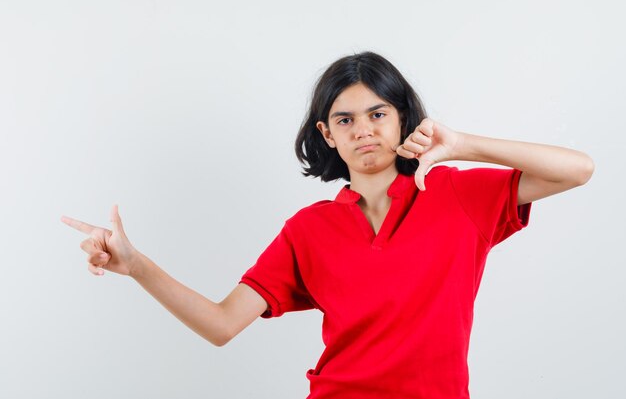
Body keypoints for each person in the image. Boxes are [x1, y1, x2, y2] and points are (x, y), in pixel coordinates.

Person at [61, 51, 594, 399]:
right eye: (346, 120)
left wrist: (465, 145)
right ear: (327, 134)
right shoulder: (309, 230)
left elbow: (579, 169)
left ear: (404, 119)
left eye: (378, 114)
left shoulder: (456, 195)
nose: (364, 131)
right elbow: (222, 325)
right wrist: (135, 265)